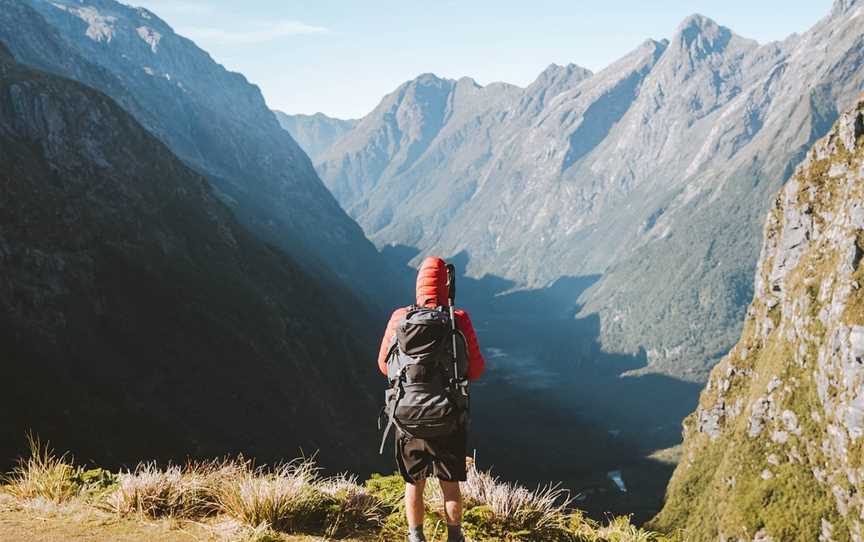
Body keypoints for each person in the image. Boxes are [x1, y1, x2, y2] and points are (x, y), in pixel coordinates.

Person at [377, 256, 485, 542]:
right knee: (450, 486)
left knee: (414, 483)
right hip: (447, 414)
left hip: (408, 416)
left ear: (419, 286)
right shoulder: (457, 320)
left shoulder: (400, 318)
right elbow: (476, 369)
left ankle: (416, 537)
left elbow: (383, 366)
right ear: (446, 285)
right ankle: (454, 537)